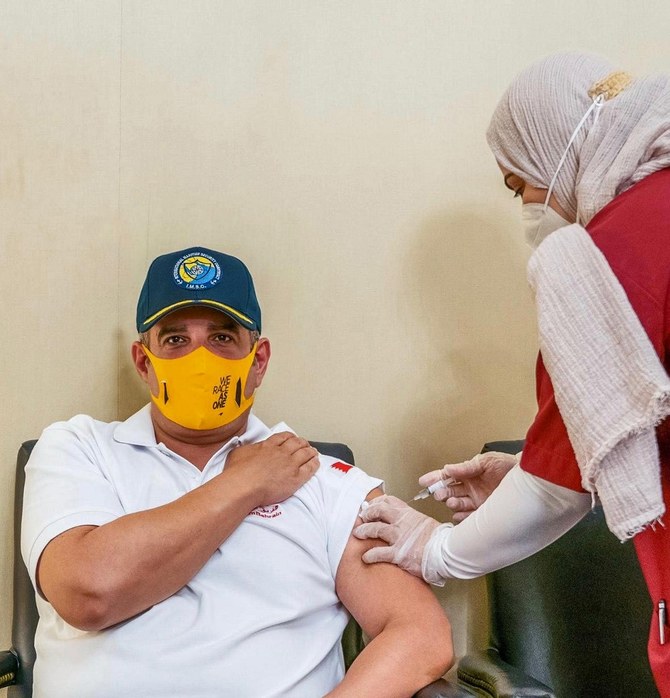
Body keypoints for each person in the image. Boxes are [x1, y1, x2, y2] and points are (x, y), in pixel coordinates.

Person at [354, 52, 670, 693]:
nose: (526, 203)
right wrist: (536, 466)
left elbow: (560, 489)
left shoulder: (599, 258)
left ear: (558, 149)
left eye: (517, 183)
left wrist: (434, 552)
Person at [22, 246, 453, 698]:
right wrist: (245, 483)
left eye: (222, 338)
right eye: (175, 340)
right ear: (144, 362)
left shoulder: (324, 480)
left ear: (259, 359)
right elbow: (87, 594)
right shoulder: (78, 449)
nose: (199, 357)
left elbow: (420, 635)